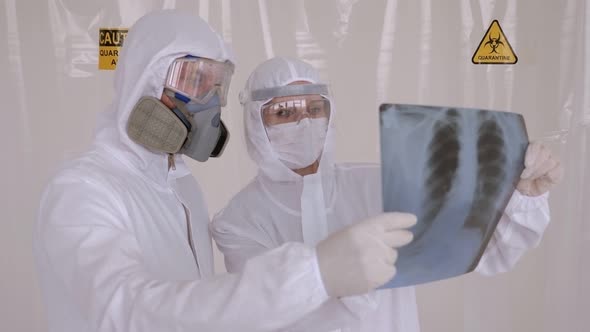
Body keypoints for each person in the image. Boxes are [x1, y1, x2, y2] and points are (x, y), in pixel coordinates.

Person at [33, 11, 418, 332]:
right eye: (195, 80)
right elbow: (127, 311)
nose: (210, 104)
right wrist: (313, 274)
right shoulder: (83, 189)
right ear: (142, 79)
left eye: (217, 86)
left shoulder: (183, 190)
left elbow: (206, 309)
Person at [210, 56, 564, 331]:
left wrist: (521, 196)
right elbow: (269, 311)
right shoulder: (238, 221)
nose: (303, 122)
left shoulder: (383, 185)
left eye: (314, 108)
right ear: (256, 123)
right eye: (283, 112)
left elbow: (484, 252)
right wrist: (352, 274)